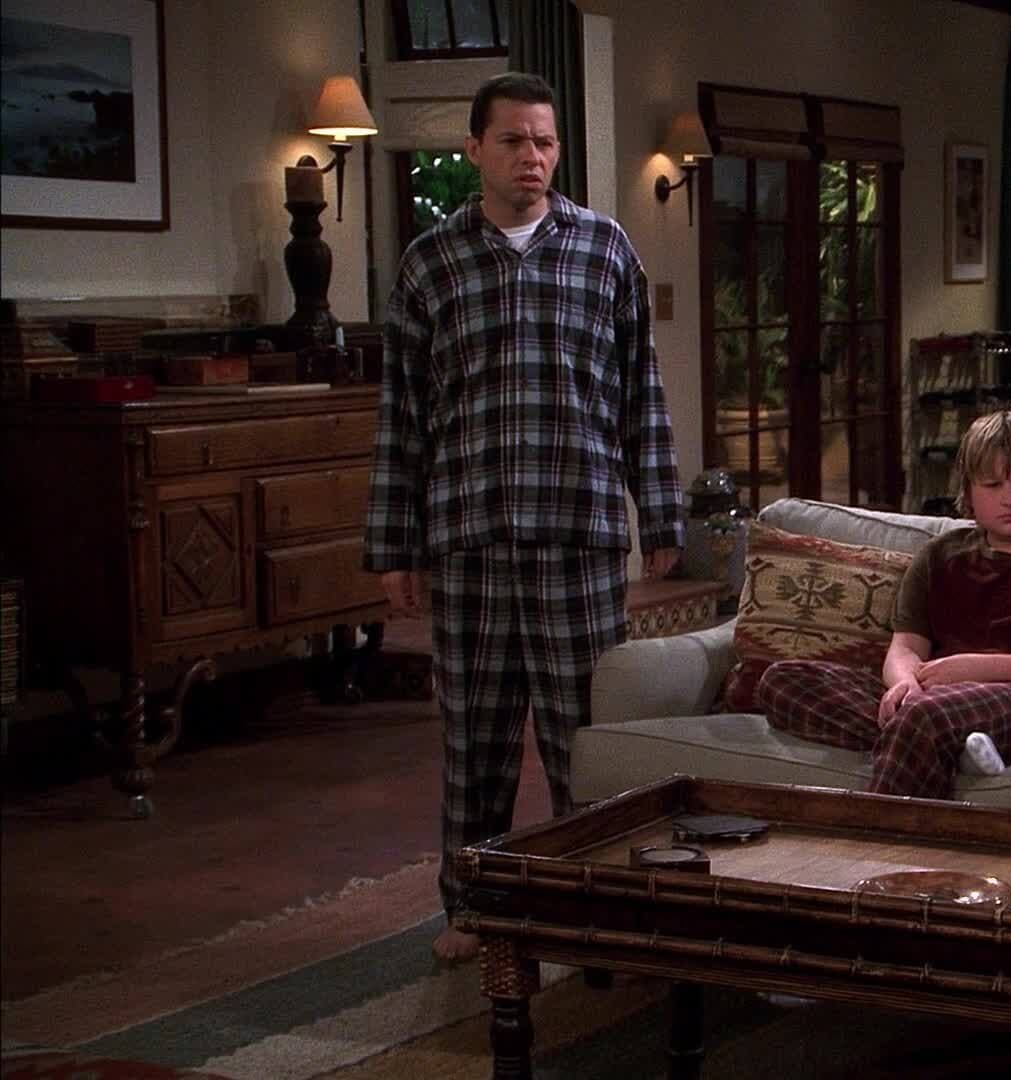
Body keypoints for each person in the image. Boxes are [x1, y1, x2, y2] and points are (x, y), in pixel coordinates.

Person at [363, 72, 682, 962]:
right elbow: (402, 417)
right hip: (468, 538)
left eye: (543, 141)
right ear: (474, 150)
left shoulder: (605, 250)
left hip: (578, 535)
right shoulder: (431, 263)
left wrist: (661, 517)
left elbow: (641, 396)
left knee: (583, 740)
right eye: (512, 141)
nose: (530, 157)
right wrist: (394, 544)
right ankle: (473, 909)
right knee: (476, 744)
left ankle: (589, 908)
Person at [755, 410, 1011, 799]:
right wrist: (907, 686)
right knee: (783, 680)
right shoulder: (939, 556)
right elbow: (905, 648)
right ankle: (950, 746)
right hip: (938, 702)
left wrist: (976, 669)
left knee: (926, 717)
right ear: (969, 491)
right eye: (993, 484)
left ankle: (879, 827)